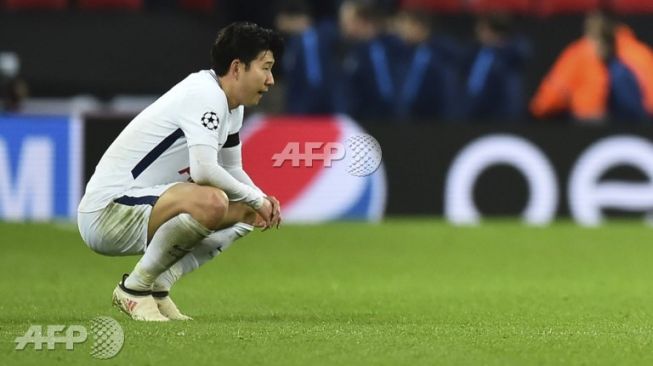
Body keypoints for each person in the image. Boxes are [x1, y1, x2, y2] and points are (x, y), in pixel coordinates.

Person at [77, 22, 283, 322]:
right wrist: (256, 197)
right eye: (265, 68)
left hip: (147, 205)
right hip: (107, 212)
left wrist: (260, 199)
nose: (271, 79)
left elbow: (232, 168)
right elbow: (204, 170)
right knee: (212, 201)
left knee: (249, 211)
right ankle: (134, 289)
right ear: (237, 68)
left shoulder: (232, 105)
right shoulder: (204, 94)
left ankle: (158, 287)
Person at [530, 10, 653, 123]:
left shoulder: (581, 52)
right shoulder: (642, 52)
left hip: (597, 125)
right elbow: (549, 99)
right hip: (626, 126)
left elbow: (547, 101)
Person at [391, 9, 460, 121]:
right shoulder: (403, 53)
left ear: (418, 26)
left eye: (405, 25)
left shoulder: (440, 54)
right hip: (407, 120)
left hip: (433, 121)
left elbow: (448, 91)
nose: (401, 31)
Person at [463, 13, 529, 122]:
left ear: (492, 31)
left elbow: (510, 93)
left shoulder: (509, 57)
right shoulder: (475, 53)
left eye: (482, 29)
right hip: (474, 115)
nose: (477, 32)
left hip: (500, 118)